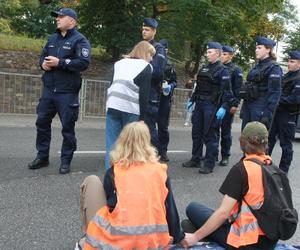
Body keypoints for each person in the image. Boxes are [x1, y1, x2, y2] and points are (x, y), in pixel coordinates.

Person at [77, 122, 185, 249]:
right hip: (153, 244)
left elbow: (110, 205)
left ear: (122, 141)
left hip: (117, 244)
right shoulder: (160, 171)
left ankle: (88, 238)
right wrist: (180, 237)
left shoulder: (114, 172)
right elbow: (170, 210)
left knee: (92, 181)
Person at [181, 121, 277, 249]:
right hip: (270, 240)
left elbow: (223, 213)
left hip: (247, 242)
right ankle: (205, 232)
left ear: (242, 143)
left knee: (192, 209)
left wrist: (195, 237)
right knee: (194, 222)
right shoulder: (274, 168)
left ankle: (202, 234)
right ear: (266, 145)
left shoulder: (242, 169)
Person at [27, 8, 91, 174]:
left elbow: (83, 63)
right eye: (57, 17)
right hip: (49, 90)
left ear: (72, 21)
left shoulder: (80, 40)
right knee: (41, 123)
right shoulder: (52, 39)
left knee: (67, 128)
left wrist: (60, 62)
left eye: (61, 17)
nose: (58, 19)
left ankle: (65, 160)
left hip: (67, 92)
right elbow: (42, 57)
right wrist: (43, 64)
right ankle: (42, 156)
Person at [182, 42, 232, 174]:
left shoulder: (223, 71)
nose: (207, 54)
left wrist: (224, 107)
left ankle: (209, 163)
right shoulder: (203, 68)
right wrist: (192, 100)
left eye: (210, 52)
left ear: (217, 53)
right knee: (196, 133)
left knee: (210, 134)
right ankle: (195, 159)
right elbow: (198, 87)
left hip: (212, 105)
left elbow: (227, 92)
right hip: (199, 104)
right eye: (207, 52)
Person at [104, 41, 155, 170]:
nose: (152, 58)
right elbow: (144, 94)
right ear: (145, 53)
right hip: (131, 108)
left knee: (111, 143)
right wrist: (142, 117)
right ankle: (127, 175)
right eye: (151, 55)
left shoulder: (119, 63)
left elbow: (111, 84)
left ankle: (110, 177)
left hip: (113, 105)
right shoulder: (146, 66)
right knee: (132, 144)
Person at [240, 36, 282, 130]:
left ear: (268, 50)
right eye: (256, 48)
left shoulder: (274, 68)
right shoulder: (257, 66)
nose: (256, 50)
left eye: (259, 48)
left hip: (261, 107)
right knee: (245, 139)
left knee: (256, 141)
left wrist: (267, 114)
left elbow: (275, 93)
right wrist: (243, 108)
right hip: (249, 105)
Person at [268, 51, 300, 173]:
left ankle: (283, 170)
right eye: (288, 61)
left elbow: (295, 99)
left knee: (286, 144)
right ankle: (266, 165)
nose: (288, 64)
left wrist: (277, 100)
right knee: (269, 140)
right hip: (277, 113)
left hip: (288, 115)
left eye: (292, 62)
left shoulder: (298, 78)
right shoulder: (286, 76)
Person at [142, 18, 166, 149]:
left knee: (149, 128)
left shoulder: (158, 49)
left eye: (147, 29)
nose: (144, 31)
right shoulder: (140, 46)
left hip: (150, 93)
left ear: (154, 31)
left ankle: (155, 155)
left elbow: (157, 72)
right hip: (139, 92)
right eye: (143, 29)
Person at [218, 45, 243, 166]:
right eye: (221, 54)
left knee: (225, 131)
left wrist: (235, 104)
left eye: (225, 54)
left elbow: (238, 89)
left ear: (231, 56)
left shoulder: (236, 70)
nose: (222, 56)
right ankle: (210, 154)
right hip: (216, 102)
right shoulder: (218, 67)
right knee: (212, 130)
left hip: (228, 104)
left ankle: (225, 155)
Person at [157, 39, 177, 162]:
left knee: (163, 127)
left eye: (164, 49)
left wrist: (170, 86)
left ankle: (163, 151)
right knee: (148, 126)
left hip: (164, 99)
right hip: (152, 97)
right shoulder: (152, 61)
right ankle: (150, 151)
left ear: (167, 50)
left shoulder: (170, 65)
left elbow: (175, 82)